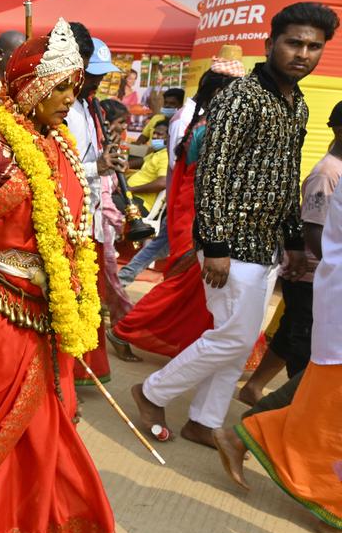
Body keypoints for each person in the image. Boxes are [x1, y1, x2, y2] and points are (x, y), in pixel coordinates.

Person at [133, 1, 338, 448]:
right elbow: (212, 172)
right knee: (233, 337)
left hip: (268, 245)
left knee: (239, 340)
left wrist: (293, 241)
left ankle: (204, 420)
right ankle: (152, 392)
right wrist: (215, 245)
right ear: (270, 44)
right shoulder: (240, 97)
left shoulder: (297, 104)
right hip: (230, 241)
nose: (303, 54)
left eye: (313, 47)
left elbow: (285, 176)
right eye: (294, 43)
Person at [0, 18, 122, 533]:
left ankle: (24, 529)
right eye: (60, 89)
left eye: (74, 90)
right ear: (31, 88)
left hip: (47, 305)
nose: (69, 101)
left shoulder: (60, 145)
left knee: (40, 425)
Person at [215, 181, 342, 533]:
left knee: (314, 397)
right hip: (321, 299)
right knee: (317, 406)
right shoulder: (327, 175)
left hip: (327, 308)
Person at [114, 68, 242, 357]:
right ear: (219, 94)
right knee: (182, 283)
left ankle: (193, 345)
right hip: (197, 215)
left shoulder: (208, 125)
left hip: (198, 212)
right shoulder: (208, 129)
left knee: (199, 288)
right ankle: (125, 328)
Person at [238, 99, 342, 407]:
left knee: (291, 331)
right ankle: (296, 408)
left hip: (323, 271)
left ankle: (254, 387)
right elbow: (312, 227)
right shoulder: (327, 173)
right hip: (313, 273)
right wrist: (333, 265)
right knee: (304, 341)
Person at [66, 32, 131, 379]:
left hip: (90, 213)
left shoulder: (89, 106)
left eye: (101, 76)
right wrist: (97, 166)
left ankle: (80, 373)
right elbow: (59, 163)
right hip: (69, 214)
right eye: (93, 75)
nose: (97, 82)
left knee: (90, 296)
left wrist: (106, 163)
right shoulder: (65, 106)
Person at [127, 117, 169, 212]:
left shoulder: (165, 156)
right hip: (131, 196)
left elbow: (162, 182)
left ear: (168, 138)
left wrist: (132, 189)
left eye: (159, 134)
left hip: (140, 203)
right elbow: (142, 161)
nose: (154, 136)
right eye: (154, 133)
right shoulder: (157, 153)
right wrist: (125, 164)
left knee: (105, 203)